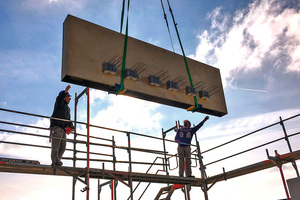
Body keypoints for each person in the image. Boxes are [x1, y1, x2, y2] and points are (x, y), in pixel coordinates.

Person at [50, 85, 74, 167]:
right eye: (68, 96)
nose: (70, 98)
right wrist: (65, 92)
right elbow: (59, 98)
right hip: (56, 127)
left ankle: (58, 160)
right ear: (64, 97)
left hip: (63, 129)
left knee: (63, 147)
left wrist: (71, 126)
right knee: (55, 146)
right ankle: (54, 162)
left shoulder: (68, 108)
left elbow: (68, 120)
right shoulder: (59, 103)